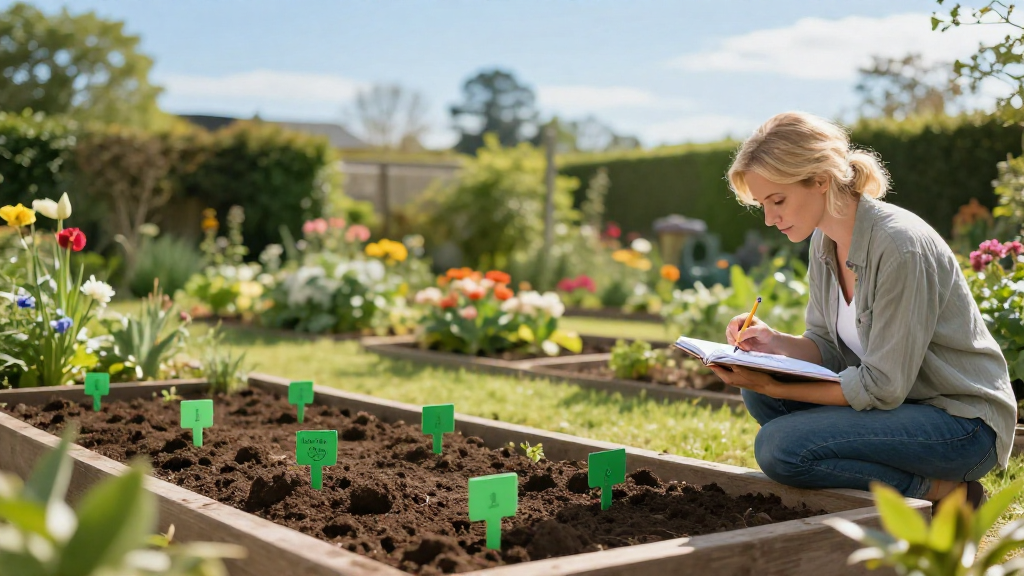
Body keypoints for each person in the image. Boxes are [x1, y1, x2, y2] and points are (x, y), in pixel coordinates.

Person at [709, 111, 1017, 507]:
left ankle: (945, 494)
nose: (770, 219)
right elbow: (826, 344)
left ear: (820, 180)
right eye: (762, 205)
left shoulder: (899, 246)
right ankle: (877, 477)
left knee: (779, 447)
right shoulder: (824, 244)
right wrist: (772, 343)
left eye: (778, 200)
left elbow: (883, 386)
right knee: (761, 395)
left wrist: (777, 384)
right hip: (902, 408)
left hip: (960, 425)